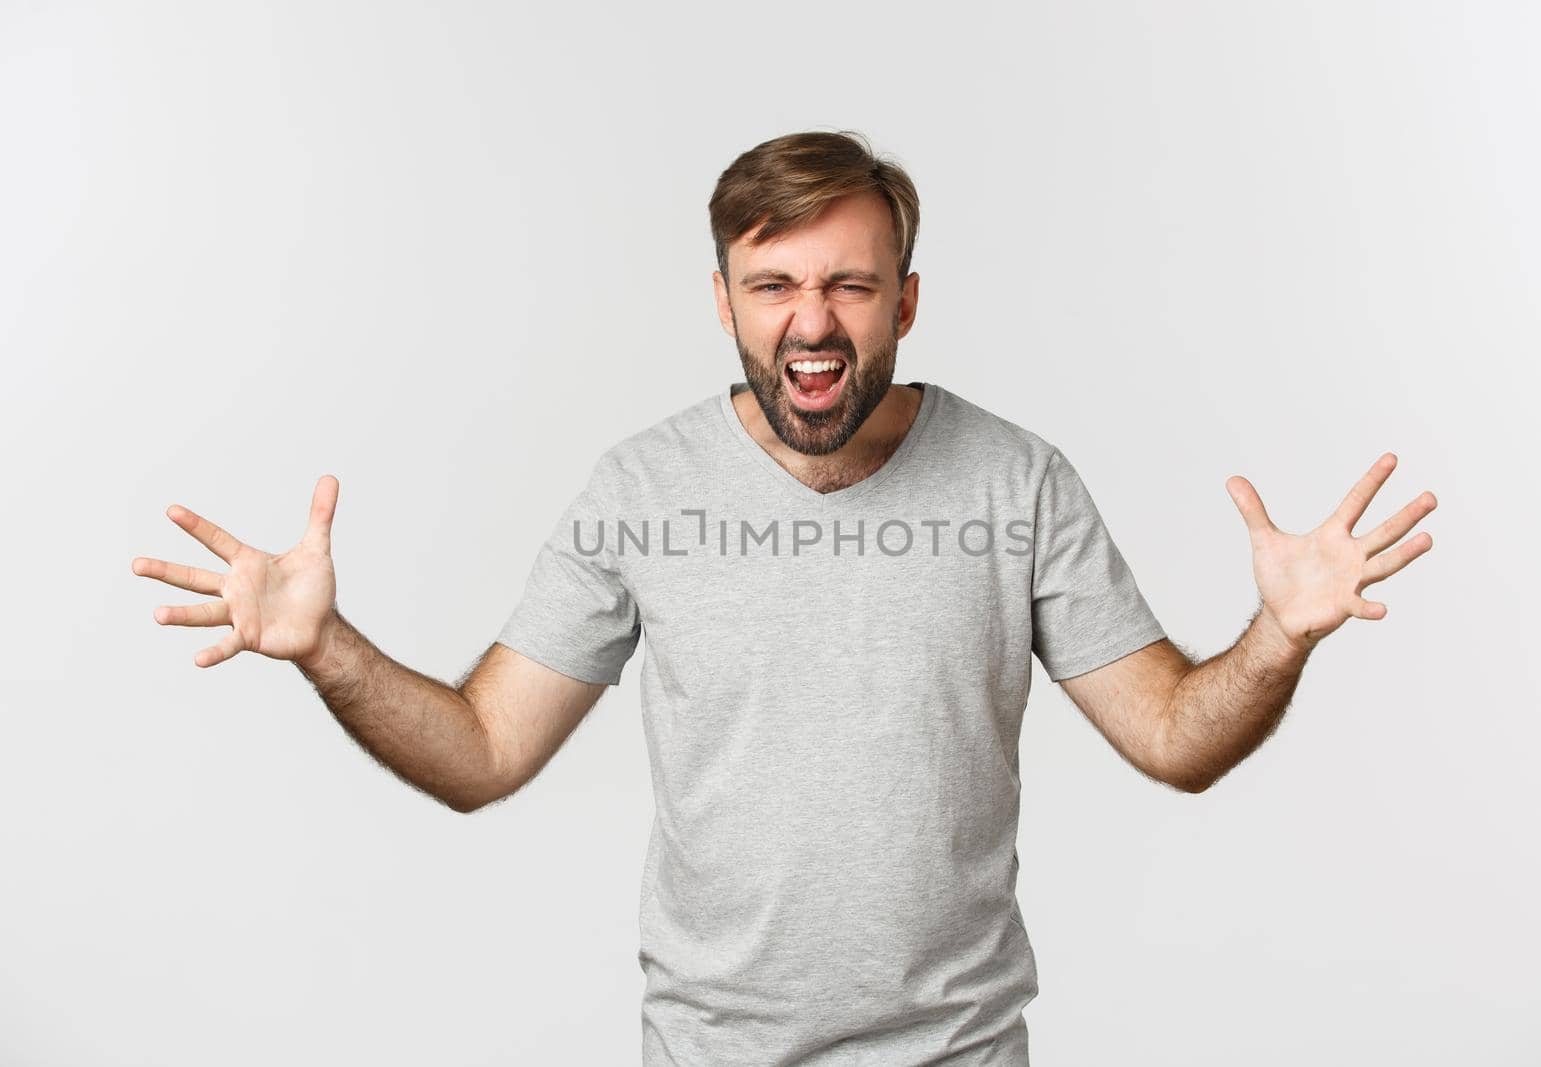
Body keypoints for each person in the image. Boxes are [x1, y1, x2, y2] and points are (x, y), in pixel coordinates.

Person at [131, 130, 1438, 1065]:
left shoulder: (1017, 481)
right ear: (724, 303)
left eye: (847, 284)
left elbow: (1173, 738)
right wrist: (326, 651)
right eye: (774, 286)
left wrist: (1278, 637)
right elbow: (481, 753)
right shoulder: (641, 489)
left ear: (905, 302)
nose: (810, 323)